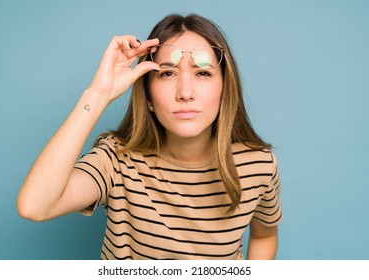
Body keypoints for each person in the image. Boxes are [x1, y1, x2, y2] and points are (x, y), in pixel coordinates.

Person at [17, 13, 282, 260]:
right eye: (167, 73)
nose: (185, 92)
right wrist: (98, 94)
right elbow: (35, 206)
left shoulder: (258, 164)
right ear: (148, 96)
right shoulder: (116, 159)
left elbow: (265, 234)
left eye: (203, 73)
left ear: (226, 89)